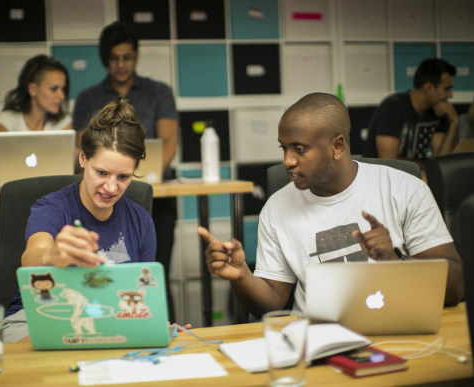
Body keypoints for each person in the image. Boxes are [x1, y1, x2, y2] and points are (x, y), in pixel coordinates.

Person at [198, 92, 464, 319]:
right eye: (284, 148)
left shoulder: (405, 188)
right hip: (316, 341)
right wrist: (242, 275)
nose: (288, 161)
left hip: (400, 329)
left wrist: (397, 261)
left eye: (299, 149)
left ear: (337, 146)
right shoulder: (276, 208)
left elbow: (455, 287)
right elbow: (271, 304)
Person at [2, 97, 156, 342]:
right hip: (38, 316)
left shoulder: (141, 221)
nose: (111, 187)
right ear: (83, 159)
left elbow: (143, 296)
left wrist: (155, 322)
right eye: (102, 173)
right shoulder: (52, 208)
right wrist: (50, 256)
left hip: (109, 321)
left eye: (124, 177)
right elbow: (32, 256)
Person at [72, 21, 179, 322]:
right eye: (114, 58)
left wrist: (130, 175)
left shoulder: (159, 92)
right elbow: (83, 146)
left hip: (155, 196)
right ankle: (106, 325)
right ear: (105, 59)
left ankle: (159, 326)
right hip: (102, 201)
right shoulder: (88, 98)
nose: (121, 64)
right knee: (104, 273)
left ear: (137, 55)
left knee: (154, 274)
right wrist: (114, 180)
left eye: (127, 57)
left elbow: (169, 141)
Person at [0, 54, 73, 303]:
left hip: (47, 217)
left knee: (46, 293)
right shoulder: (6, 121)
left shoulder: (63, 124)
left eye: (63, 89)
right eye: (54, 88)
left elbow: (68, 175)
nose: (61, 95)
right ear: (32, 89)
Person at [363, 58, 459, 165]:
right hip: (380, 179)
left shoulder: (438, 112)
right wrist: (425, 165)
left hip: (414, 178)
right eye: (447, 89)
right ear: (428, 88)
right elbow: (389, 163)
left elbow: (442, 163)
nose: (450, 95)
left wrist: (453, 123)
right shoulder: (393, 106)